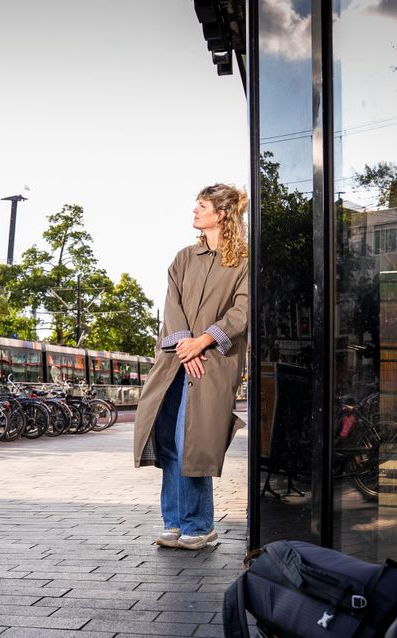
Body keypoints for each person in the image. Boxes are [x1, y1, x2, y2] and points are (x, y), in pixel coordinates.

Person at [133, 184, 249, 550]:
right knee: (168, 440)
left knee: (192, 444)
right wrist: (187, 345)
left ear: (222, 214)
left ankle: (199, 525)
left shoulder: (243, 262)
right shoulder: (183, 258)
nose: (194, 211)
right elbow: (172, 306)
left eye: (202, 206)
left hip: (212, 364)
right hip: (175, 361)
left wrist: (204, 342)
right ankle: (173, 522)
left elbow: (242, 311)